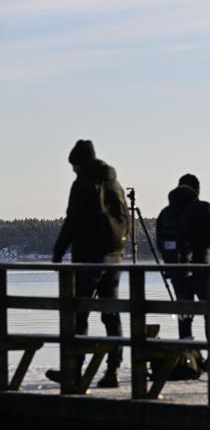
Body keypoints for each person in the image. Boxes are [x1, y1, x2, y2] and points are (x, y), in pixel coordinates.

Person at [47, 140, 129, 388]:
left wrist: (58, 251)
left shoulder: (83, 183)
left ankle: (73, 368)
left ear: (78, 164)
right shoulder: (114, 182)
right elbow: (125, 217)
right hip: (114, 254)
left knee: (78, 311)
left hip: (88, 255)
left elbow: (73, 218)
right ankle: (113, 370)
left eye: (73, 166)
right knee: (111, 313)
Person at [155, 174, 210, 350]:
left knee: (185, 316)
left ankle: (188, 356)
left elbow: (160, 244)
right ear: (197, 190)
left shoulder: (165, 213)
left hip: (177, 272)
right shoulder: (204, 208)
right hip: (203, 270)